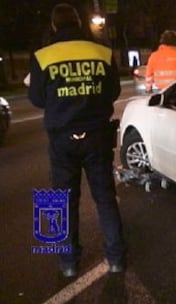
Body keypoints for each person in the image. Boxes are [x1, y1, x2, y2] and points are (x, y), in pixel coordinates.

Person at [28, 3, 127, 278]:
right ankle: (116, 258)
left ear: (54, 26)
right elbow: (114, 90)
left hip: (62, 139)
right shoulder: (101, 52)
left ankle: (69, 263)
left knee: (63, 200)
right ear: (79, 24)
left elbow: (36, 98)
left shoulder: (43, 56)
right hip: (96, 135)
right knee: (105, 198)